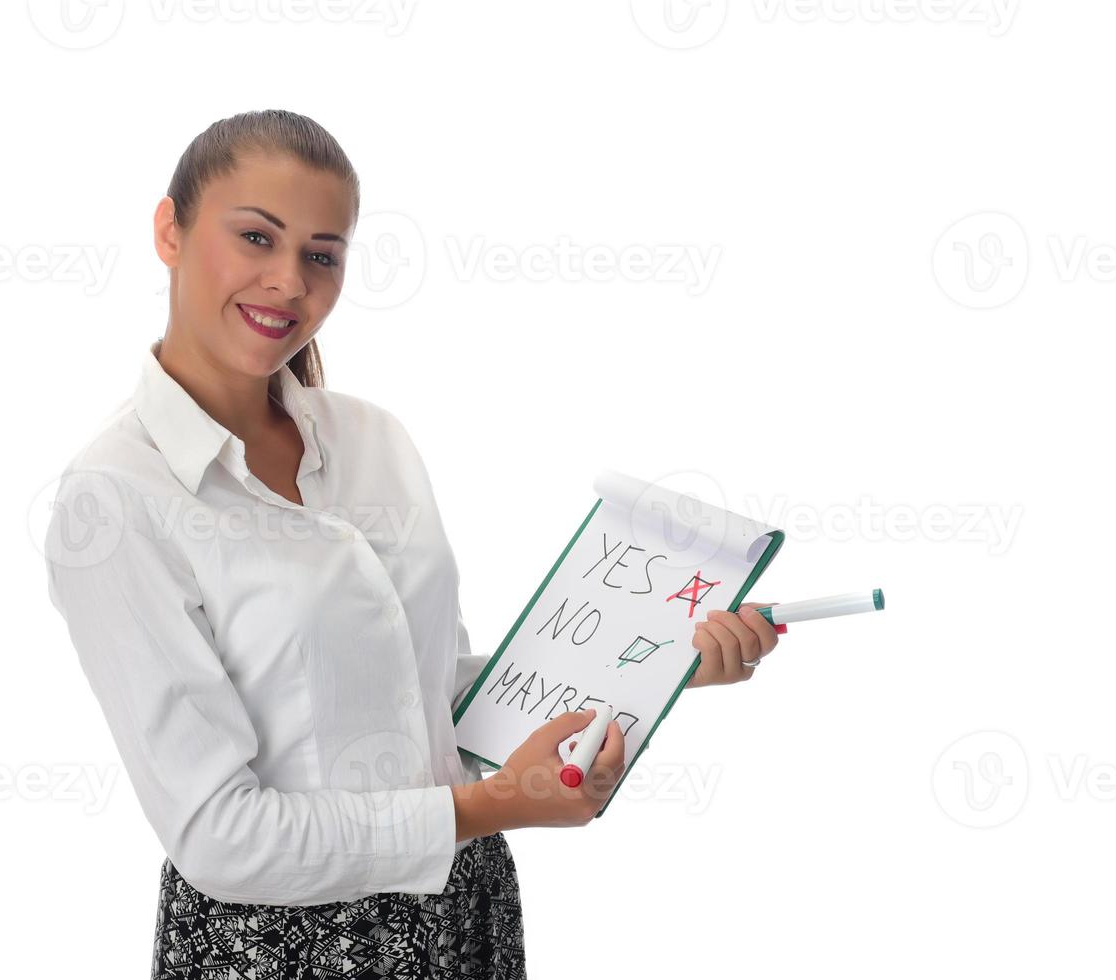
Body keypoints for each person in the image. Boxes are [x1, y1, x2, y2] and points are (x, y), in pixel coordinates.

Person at [41, 109, 783, 979]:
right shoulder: (117, 499)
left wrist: (660, 666)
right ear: (170, 230)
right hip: (280, 951)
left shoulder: (373, 442)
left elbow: (436, 704)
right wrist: (490, 806)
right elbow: (217, 835)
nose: (288, 282)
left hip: (462, 909)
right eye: (255, 237)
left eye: (321, 254)